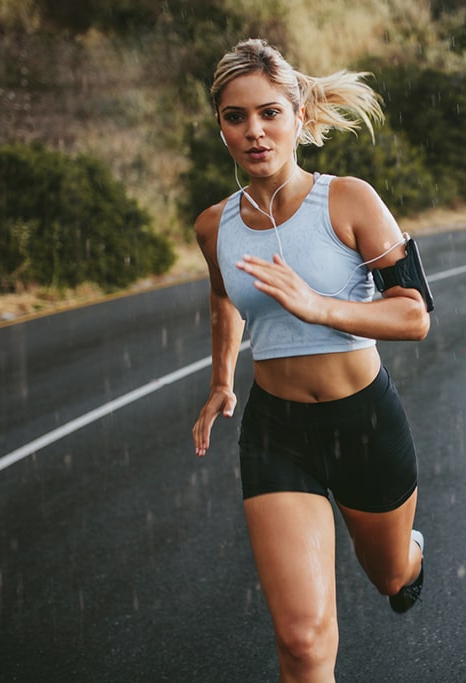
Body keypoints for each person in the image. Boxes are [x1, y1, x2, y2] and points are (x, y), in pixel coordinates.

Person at [190, 38, 430, 682]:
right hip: (278, 434)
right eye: (235, 117)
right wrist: (221, 379)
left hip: (365, 425)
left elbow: (414, 314)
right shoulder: (215, 226)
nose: (254, 131)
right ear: (221, 127)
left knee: (389, 576)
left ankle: (410, 554)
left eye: (269, 112)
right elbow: (223, 296)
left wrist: (321, 307)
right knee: (301, 641)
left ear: (298, 116)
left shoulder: (350, 200)